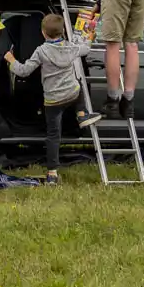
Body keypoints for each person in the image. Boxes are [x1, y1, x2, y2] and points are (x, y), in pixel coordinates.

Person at [5, 12, 92, 184]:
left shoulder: (41, 51)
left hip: (53, 100)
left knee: (53, 135)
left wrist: (11, 59)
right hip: (71, 95)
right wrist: (87, 37)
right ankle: (82, 114)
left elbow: (23, 71)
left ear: (43, 33)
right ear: (63, 32)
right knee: (78, 84)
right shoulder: (71, 47)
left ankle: (52, 173)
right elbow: (86, 49)